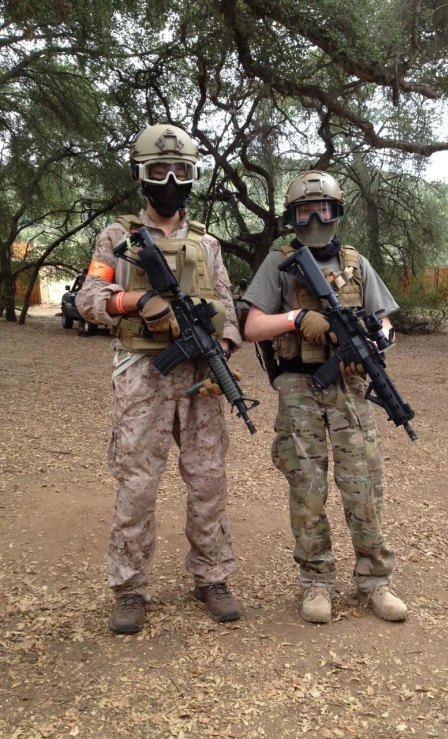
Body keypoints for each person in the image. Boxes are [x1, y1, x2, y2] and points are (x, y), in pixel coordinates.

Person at [76, 124, 242, 633]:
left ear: (193, 179)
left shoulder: (208, 244)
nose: (170, 181)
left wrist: (225, 350)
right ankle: (129, 589)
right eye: (158, 171)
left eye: (181, 172)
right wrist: (136, 301)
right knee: (137, 485)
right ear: (140, 176)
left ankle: (212, 578)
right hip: (142, 376)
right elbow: (87, 300)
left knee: (208, 480)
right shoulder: (115, 238)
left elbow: (229, 310)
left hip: (199, 377)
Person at [243, 170, 407, 624]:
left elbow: (386, 323)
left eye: (324, 209)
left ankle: (376, 581)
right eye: (305, 210)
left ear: (338, 211)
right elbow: (252, 327)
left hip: (350, 389)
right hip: (298, 387)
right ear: (292, 216)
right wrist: (297, 319)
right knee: (307, 488)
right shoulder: (279, 261)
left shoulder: (356, 263)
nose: (316, 217)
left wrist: (373, 346)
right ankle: (316, 580)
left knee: (364, 486)